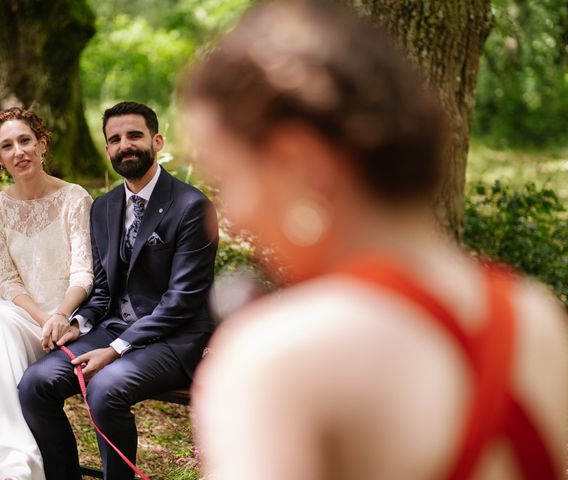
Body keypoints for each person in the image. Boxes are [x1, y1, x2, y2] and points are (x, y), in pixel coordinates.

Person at [180, 1, 568, 479]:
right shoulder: (536, 315)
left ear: (300, 162)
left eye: (230, 176)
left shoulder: (283, 357)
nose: (227, 212)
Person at [18, 101, 218, 480]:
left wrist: (113, 350)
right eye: (115, 139)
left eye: (134, 136)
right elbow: (105, 286)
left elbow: (181, 301)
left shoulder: (192, 207)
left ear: (156, 140)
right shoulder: (105, 207)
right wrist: (80, 322)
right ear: (108, 149)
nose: (124, 145)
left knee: (105, 390)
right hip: (113, 327)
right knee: (35, 384)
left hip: (173, 338)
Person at [0, 107, 94, 480]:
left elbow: (83, 272)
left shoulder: (75, 198)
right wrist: (44, 319)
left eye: (25, 141)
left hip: (66, 313)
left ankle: (11, 463)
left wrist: (60, 315)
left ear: (42, 145)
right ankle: (13, 462)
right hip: (21, 313)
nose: (18, 152)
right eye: (7, 146)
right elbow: (8, 282)